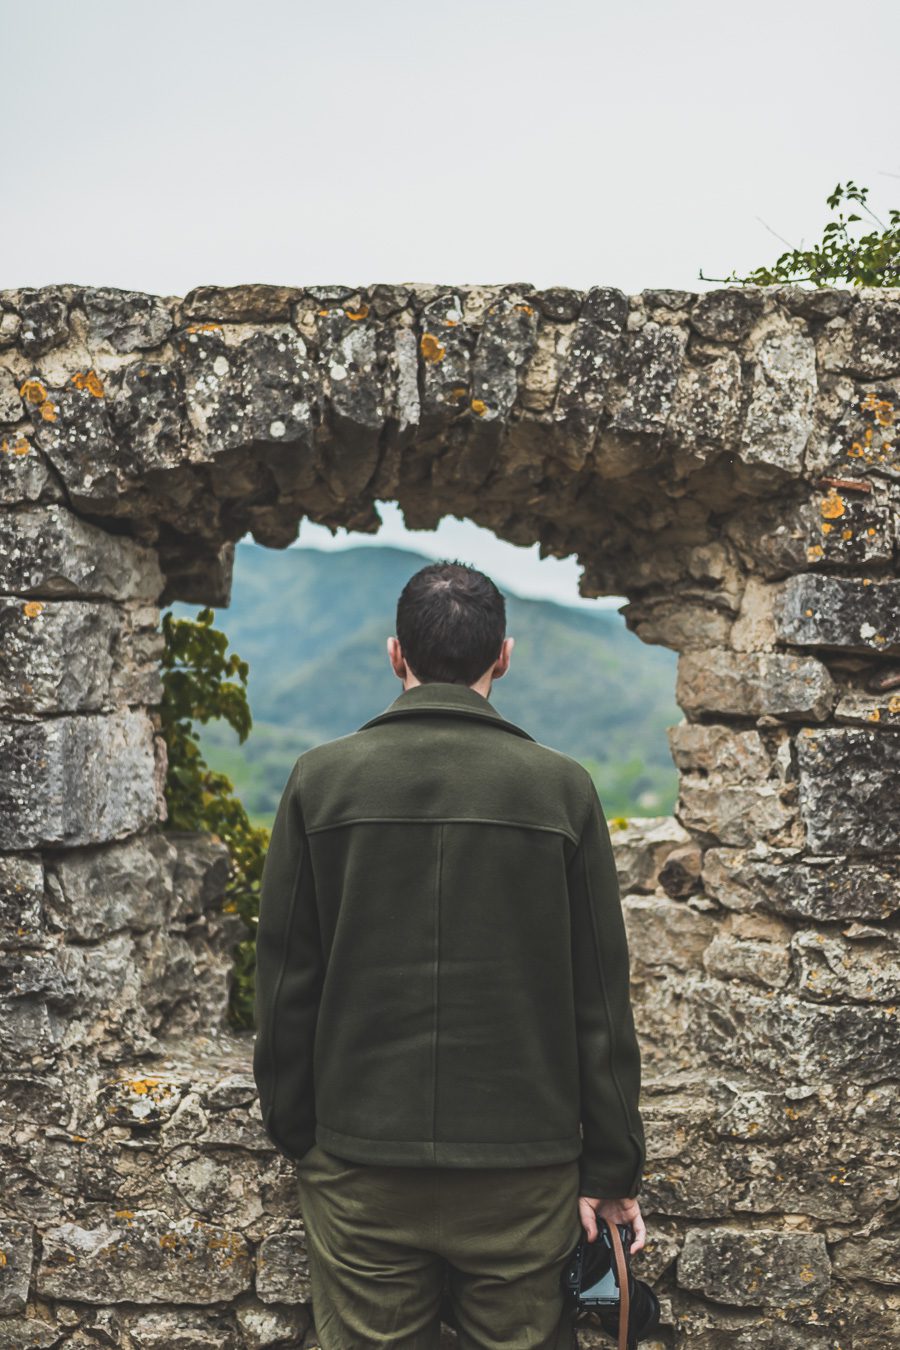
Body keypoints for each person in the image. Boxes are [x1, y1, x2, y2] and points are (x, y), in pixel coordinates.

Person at [253, 559, 646, 1350]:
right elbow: (601, 1001)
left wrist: (301, 1136)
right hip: (524, 1175)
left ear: (396, 655)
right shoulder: (563, 791)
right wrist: (610, 1173)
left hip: (360, 1163)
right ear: (504, 655)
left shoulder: (317, 783)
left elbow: (286, 980)